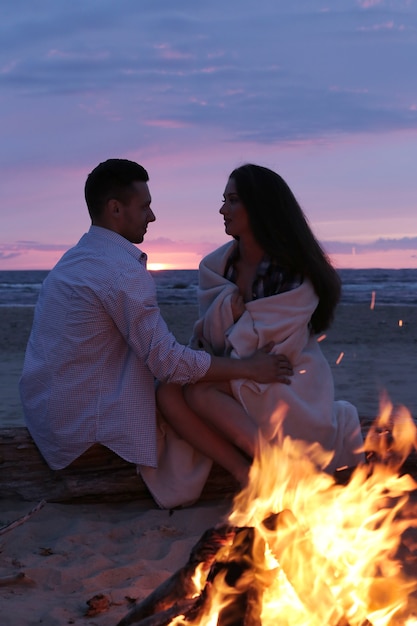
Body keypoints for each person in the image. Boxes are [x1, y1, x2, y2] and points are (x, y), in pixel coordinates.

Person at [19, 159, 292, 482]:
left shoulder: (76, 259)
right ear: (115, 209)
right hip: (84, 435)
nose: (152, 216)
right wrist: (252, 367)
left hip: (50, 419)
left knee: (177, 392)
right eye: (145, 206)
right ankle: (266, 472)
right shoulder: (121, 272)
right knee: (184, 395)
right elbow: (169, 364)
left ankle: (248, 473)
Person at [149, 163, 364, 508]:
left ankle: (280, 467)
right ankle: (245, 474)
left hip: (287, 378)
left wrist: (233, 337)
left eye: (233, 200)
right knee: (168, 393)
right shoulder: (217, 267)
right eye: (224, 200)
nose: (223, 209)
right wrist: (228, 314)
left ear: (260, 207)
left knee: (200, 392)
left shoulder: (294, 271)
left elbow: (275, 349)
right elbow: (209, 337)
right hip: (244, 371)